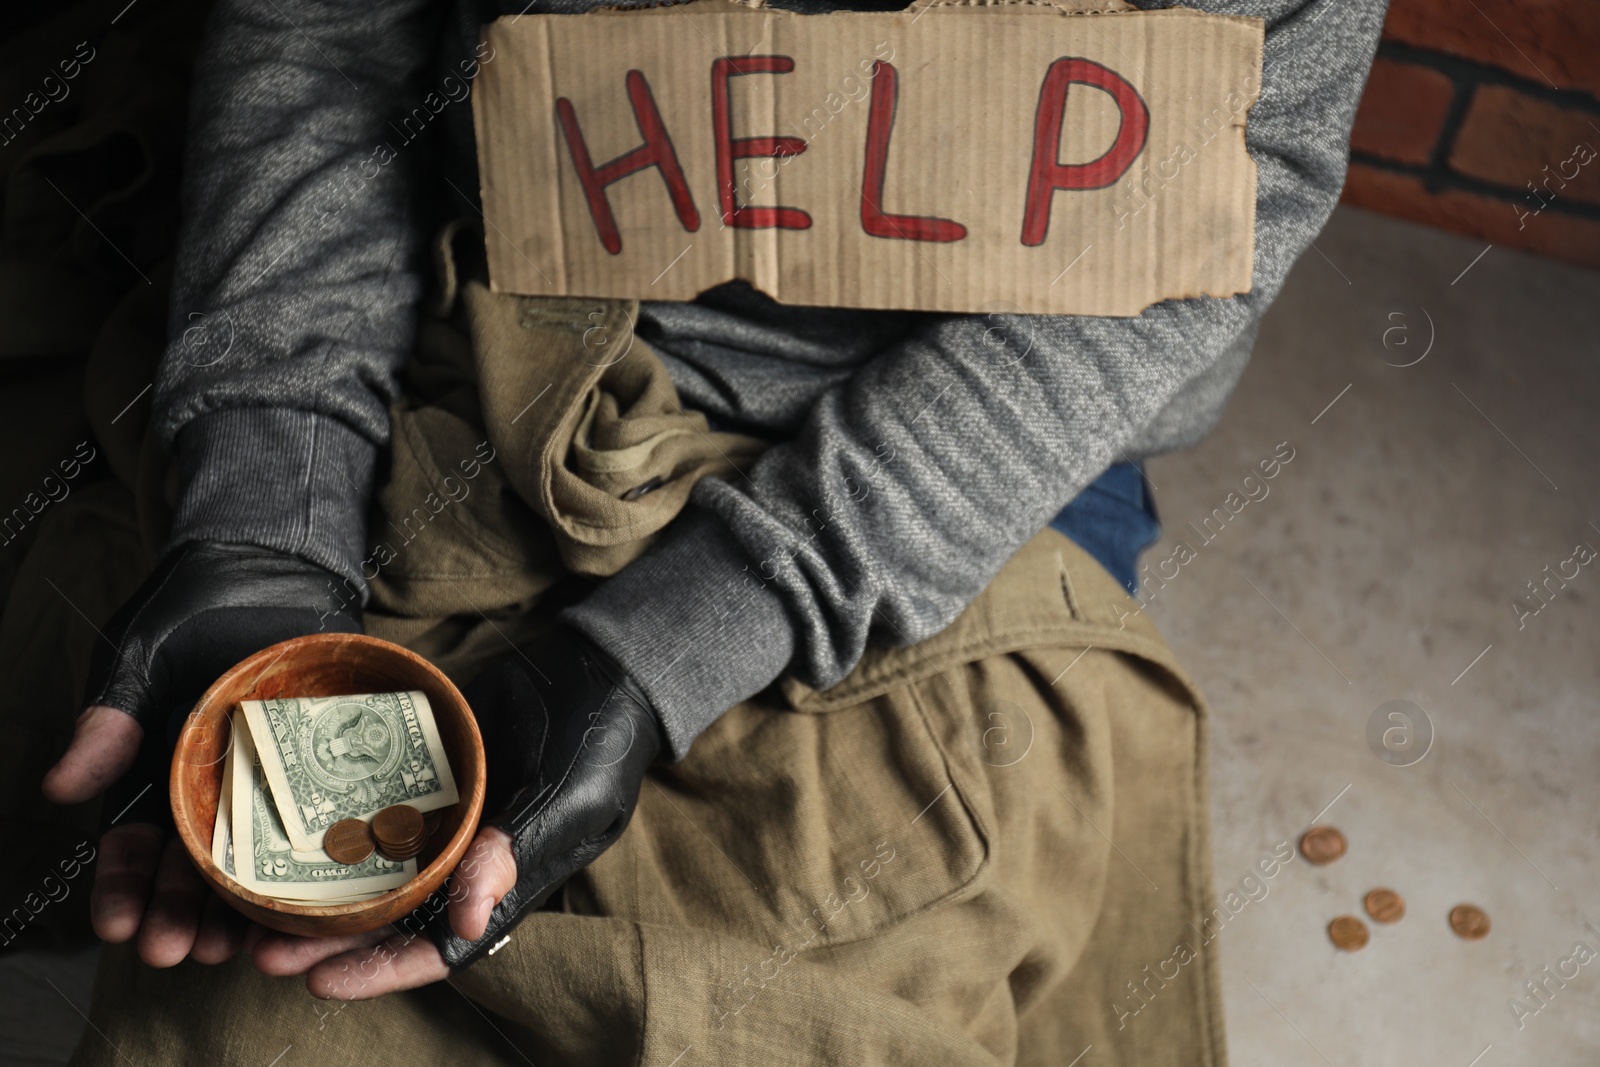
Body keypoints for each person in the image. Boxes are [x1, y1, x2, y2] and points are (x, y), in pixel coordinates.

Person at [39, 0, 1385, 1061]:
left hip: (980, 417)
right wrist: (271, 493)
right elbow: (326, 48)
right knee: (246, 1007)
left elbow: (1215, 199)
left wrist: (690, 633)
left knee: (856, 964)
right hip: (509, 316)